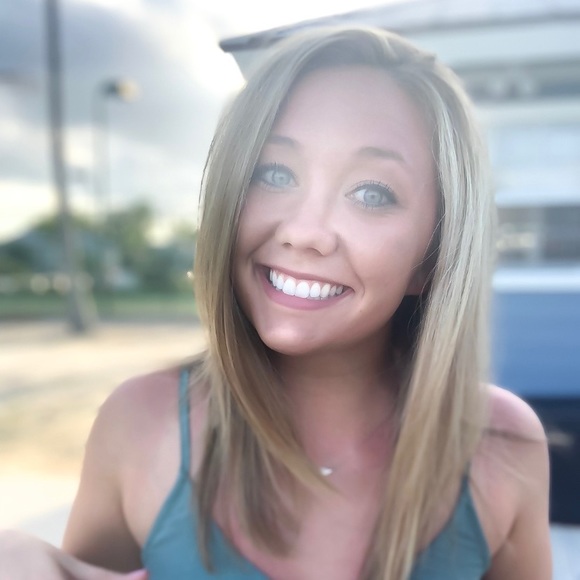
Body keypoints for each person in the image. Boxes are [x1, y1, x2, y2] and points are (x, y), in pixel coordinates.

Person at [0, 27, 551, 580]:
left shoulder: (505, 447)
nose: (304, 232)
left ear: (432, 256)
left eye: (371, 193)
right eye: (275, 173)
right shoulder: (138, 423)